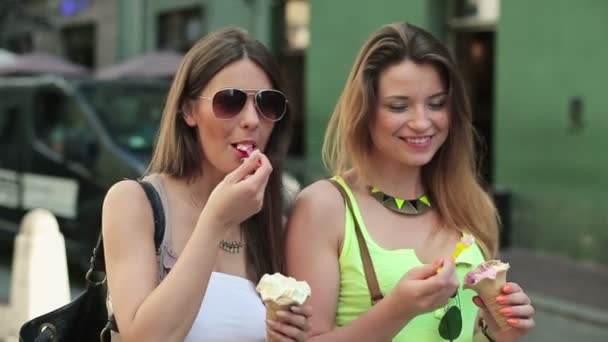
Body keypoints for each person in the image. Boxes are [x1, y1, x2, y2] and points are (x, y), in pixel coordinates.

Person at [286, 22, 535, 341]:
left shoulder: (470, 205)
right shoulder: (324, 206)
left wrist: (500, 330)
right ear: (365, 111)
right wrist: (398, 309)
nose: (421, 122)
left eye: (436, 103)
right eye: (399, 106)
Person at [102, 27, 311, 342]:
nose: (252, 120)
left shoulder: (275, 220)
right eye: (230, 101)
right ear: (188, 111)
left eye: (267, 103)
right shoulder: (135, 203)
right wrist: (216, 220)